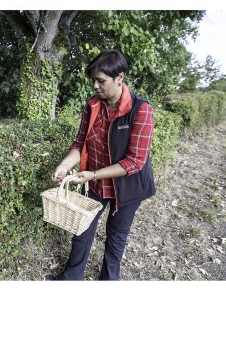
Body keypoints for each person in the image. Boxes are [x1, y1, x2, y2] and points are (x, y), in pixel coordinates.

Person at [45, 49, 156, 281]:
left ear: (120, 78)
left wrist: (93, 174)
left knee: (116, 238)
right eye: (93, 80)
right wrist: (64, 166)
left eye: (101, 80)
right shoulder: (92, 106)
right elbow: (80, 143)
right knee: (82, 231)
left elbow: (134, 161)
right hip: (95, 182)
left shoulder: (141, 110)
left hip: (127, 187)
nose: (95, 86)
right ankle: (70, 279)